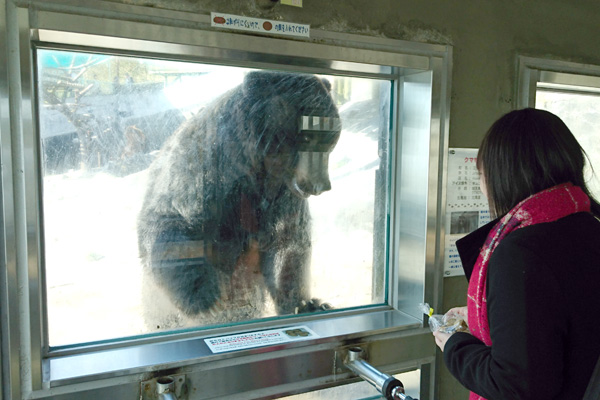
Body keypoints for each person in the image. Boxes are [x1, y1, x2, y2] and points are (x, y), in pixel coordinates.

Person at [433, 108, 600, 400]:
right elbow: (570, 329)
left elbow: (515, 386)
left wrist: (454, 345)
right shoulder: (590, 226)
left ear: (499, 177)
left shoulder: (521, 253)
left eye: (481, 176)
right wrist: (490, 319)